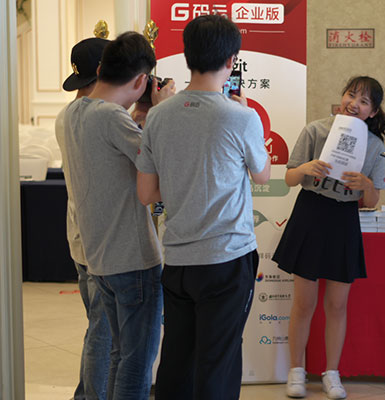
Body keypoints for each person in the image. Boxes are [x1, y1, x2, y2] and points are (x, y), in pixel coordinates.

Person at [136, 15, 270, 400]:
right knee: (218, 364)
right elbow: (262, 175)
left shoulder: (158, 115)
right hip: (227, 258)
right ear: (231, 60)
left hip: (178, 259)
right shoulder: (241, 116)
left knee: (177, 361)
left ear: (187, 56)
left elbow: (146, 193)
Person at [63, 31, 175, 400]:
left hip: (99, 259)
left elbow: (116, 155)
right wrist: (161, 111)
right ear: (142, 80)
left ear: (100, 70)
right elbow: (161, 166)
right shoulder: (113, 118)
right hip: (133, 259)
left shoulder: (73, 113)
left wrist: (140, 116)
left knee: (117, 353)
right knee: (136, 362)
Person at [273, 76, 385, 399]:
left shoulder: (375, 146)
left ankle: (332, 373)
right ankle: (296, 371)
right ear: (343, 97)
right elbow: (289, 178)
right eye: (352, 95)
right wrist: (306, 168)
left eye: (364, 101)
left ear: (372, 111)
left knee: (337, 305)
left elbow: (372, 201)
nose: (355, 104)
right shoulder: (316, 130)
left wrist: (366, 185)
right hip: (310, 213)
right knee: (304, 303)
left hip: (344, 220)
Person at [56, 37, 112, 400]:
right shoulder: (100, 116)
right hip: (100, 243)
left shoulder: (67, 115)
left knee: (97, 327)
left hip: (79, 237)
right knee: (102, 332)